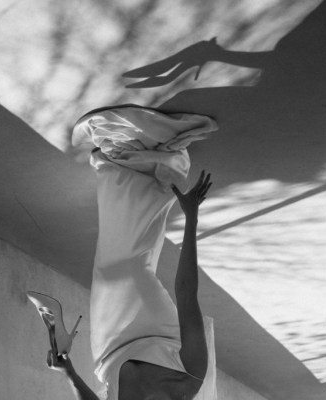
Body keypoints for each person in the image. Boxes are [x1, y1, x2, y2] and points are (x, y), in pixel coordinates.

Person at [29, 105, 218, 400]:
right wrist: (191, 217)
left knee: (108, 264)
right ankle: (147, 164)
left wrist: (70, 375)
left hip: (110, 346)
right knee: (130, 266)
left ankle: (132, 170)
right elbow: (186, 293)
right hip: (156, 330)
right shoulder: (191, 375)